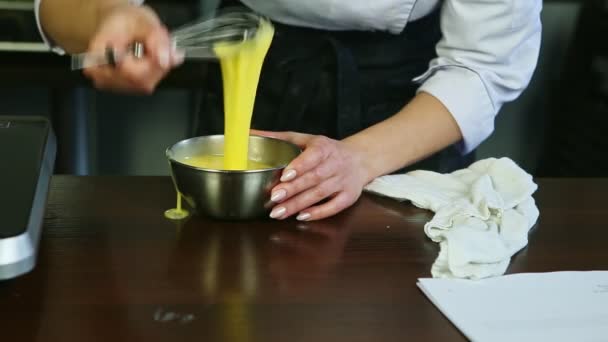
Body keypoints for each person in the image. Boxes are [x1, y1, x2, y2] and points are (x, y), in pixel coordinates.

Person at [36, 0, 543, 221]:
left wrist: (359, 159)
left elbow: (485, 64)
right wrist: (106, 14)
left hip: (402, 114)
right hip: (253, 68)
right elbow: (63, 7)